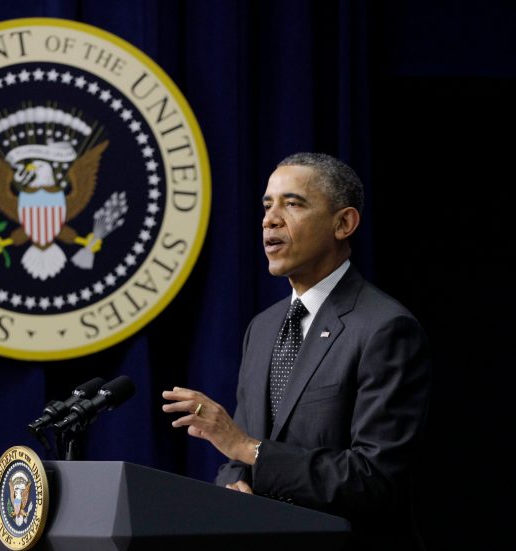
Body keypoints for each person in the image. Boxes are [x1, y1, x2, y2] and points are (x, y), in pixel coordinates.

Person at [162, 152, 431, 550]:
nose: (271, 218)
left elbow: (374, 479)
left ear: (344, 223)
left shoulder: (385, 328)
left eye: (293, 203)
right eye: (267, 205)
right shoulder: (263, 327)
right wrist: (231, 484)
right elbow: (241, 455)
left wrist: (246, 449)